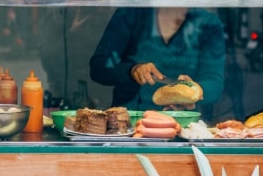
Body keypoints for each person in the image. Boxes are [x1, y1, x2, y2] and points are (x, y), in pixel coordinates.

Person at [89, 7, 226, 112]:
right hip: (130, 124)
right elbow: (99, 68)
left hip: (184, 126)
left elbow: (214, 82)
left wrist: (195, 90)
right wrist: (132, 70)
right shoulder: (131, 14)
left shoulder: (208, 23)